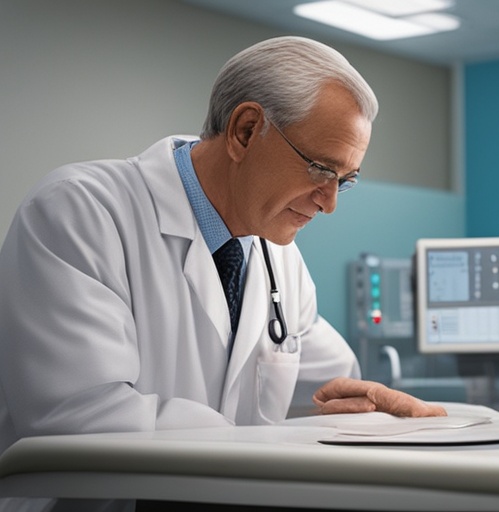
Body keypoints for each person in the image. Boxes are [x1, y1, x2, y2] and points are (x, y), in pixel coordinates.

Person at [0, 36, 445, 459]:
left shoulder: (277, 254)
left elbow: (330, 389)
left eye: (344, 182)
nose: (329, 203)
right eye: (320, 169)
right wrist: (261, 445)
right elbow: (81, 419)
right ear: (246, 131)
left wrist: (373, 404)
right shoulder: (80, 211)